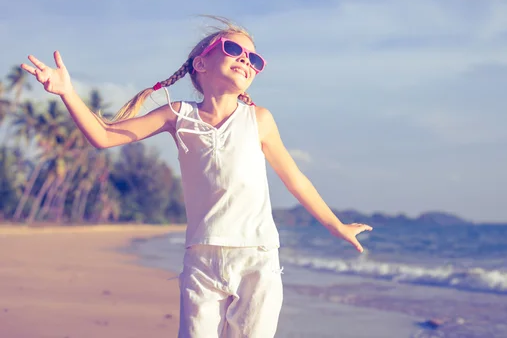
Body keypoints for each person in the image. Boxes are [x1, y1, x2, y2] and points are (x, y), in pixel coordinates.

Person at [21, 17, 373, 338]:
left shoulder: (259, 120)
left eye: (254, 59)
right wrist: (66, 91)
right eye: (234, 49)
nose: (246, 60)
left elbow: (295, 179)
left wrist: (336, 226)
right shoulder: (178, 115)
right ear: (201, 64)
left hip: (258, 257)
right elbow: (104, 136)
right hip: (201, 260)